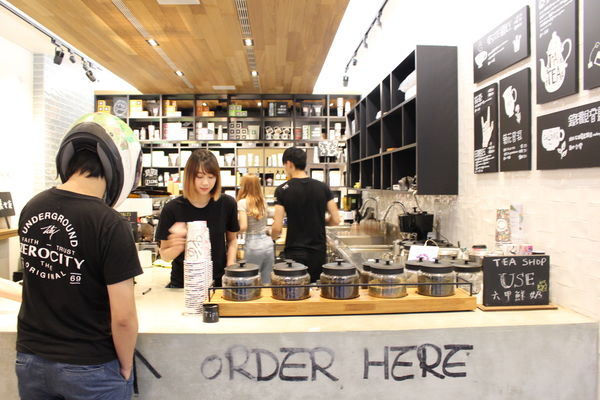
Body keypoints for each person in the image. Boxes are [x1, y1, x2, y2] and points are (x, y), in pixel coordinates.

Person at [16, 112, 143, 399]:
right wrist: (125, 366)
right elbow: (124, 317)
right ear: (120, 165)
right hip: (90, 367)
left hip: (31, 361)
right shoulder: (110, 223)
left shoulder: (31, 207)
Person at [156, 149, 239, 288]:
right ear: (189, 176)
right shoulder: (172, 208)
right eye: (199, 177)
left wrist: (230, 267)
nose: (206, 183)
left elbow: (232, 240)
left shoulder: (227, 204)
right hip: (183, 285)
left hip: (217, 283)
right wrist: (178, 246)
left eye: (211, 177)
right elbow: (164, 255)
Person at [271, 147, 341, 281]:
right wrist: (320, 221)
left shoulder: (282, 190)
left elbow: (277, 228)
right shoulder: (323, 187)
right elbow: (336, 219)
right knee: (316, 288)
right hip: (318, 251)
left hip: (294, 251)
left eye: (284, 165)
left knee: (295, 288)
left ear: (289, 163)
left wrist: (272, 236)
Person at [237, 174, 274, 283]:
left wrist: (233, 231)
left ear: (244, 185)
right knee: (267, 281)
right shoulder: (263, 201)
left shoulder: (242, 202)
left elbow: (243, 227)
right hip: (268, 243)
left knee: (252, 280)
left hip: (253, 244)